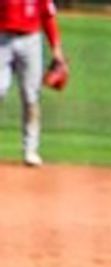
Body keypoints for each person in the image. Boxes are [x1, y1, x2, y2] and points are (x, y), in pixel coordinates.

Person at [0, 0, 66, 167]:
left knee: (31, 97)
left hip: (31, 40)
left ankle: (30, 150)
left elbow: (48, 17)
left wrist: (56, 50)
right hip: (2, 39)